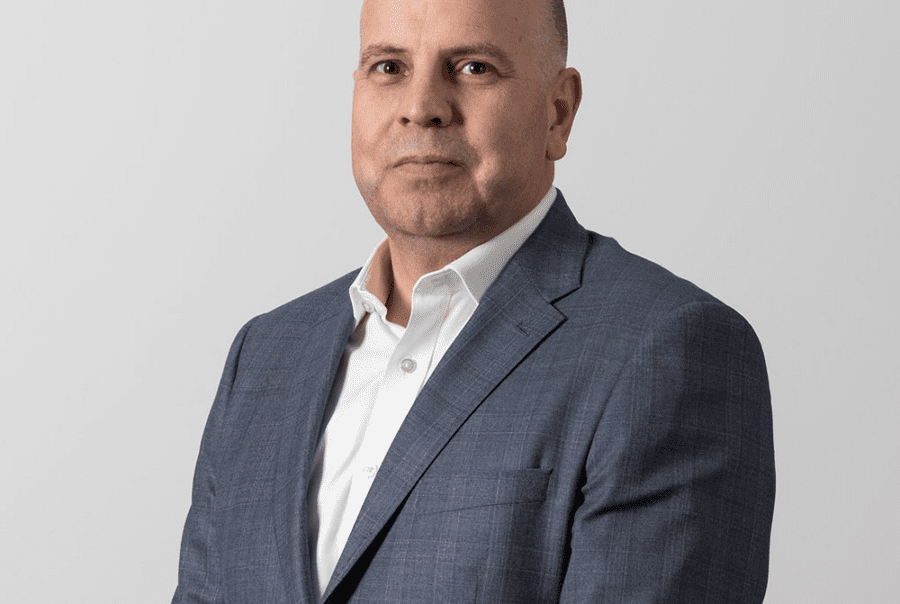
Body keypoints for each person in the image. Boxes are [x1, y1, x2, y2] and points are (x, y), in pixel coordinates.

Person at [172, 0, 776, 602]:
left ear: (558, 112)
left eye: (473, 68)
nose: (421, 108)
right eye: (388, 67)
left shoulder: (667, 349)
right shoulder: (265, 356)